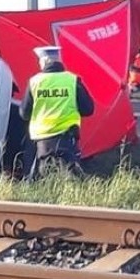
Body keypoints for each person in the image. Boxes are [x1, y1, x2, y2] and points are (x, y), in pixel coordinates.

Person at [18, 46, 95, 179]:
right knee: (72, 179)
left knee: (44, 179)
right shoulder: (72, 80)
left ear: (44, 62)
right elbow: (88, 109)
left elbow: (24, 113)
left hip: (43, 142)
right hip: (67, 139)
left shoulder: (35, 82)